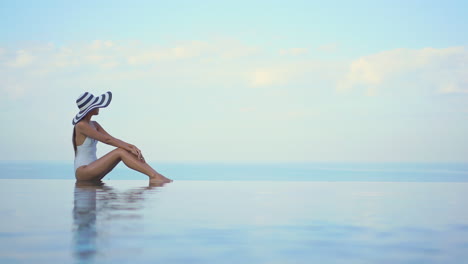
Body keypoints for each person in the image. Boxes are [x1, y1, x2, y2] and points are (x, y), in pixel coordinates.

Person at [72, 91, 172, 183]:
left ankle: (155, 176)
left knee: (123, 150)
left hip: (93, 169)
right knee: (120, 151)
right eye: (96, 105)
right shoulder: (81, 125)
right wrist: (127, 147)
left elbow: (113, 138)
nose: (99, 107)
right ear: (90, 108)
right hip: (83, 171)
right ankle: (154, 176)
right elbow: (107, 140)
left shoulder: (94, 124)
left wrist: (131, 147)